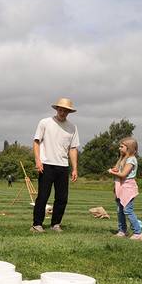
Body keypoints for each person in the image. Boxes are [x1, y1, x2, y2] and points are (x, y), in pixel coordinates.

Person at [31, 98, 80, 233]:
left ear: (69, 112)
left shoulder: (72, 127)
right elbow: (36, 142)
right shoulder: (45, 122)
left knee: (62, 198)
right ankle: (37, 224)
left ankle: (56, 224)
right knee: (43, 196)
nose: (62, 112)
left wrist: (74, 168)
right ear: (56, 109)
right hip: (46, 164)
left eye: (65, 111)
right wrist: (38, 160)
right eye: (60, 109)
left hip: (63, 166)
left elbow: (73, 148)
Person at [107, 137, 142, 241]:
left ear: (129, 148)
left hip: (128, 187)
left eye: (121, 146)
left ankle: (138, 233)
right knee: (120, 210)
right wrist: (116, 169)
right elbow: (119, 170)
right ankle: (122, 231)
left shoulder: (131, 160)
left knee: (128, 210)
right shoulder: (123, 159)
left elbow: (123, 175)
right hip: (121, 186)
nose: (119, 148)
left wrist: (112, 172)